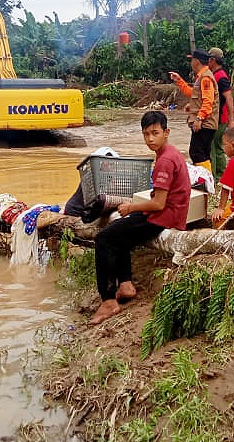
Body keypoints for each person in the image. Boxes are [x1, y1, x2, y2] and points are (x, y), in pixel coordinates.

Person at [89, 111, 191, 325]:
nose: (150, 139)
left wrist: (130, 207)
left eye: (155, 133)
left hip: (164, 217)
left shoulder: (165, 160)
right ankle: (125, 284)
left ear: (166, 132)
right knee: (120, 232)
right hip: (169, 212)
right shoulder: (169, 153)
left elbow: (158, 204)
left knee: (104, 240)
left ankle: (108, 301)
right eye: (146, 134)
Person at [169, 49, 219, 174]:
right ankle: (206, 180)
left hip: (205, 123)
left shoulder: (206, 78)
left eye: (192, 60)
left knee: (197, 152)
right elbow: (193, 94)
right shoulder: (202, 77)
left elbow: (208, 101)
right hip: (205, 123)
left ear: (196, 61)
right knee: (201, 153)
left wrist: (199, 118)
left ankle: (205, 181)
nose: (191, 62)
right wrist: (179, 80)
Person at [207, 47, 234, 178]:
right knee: (218, 147)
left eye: (208, 58)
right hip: (219, 118)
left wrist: (231, 120)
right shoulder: (216, 75)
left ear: (213, 60)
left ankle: (213, 177)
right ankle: (220, 176)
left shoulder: (221, 77)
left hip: (220, 119)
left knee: (212, 147)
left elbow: (229, 98)